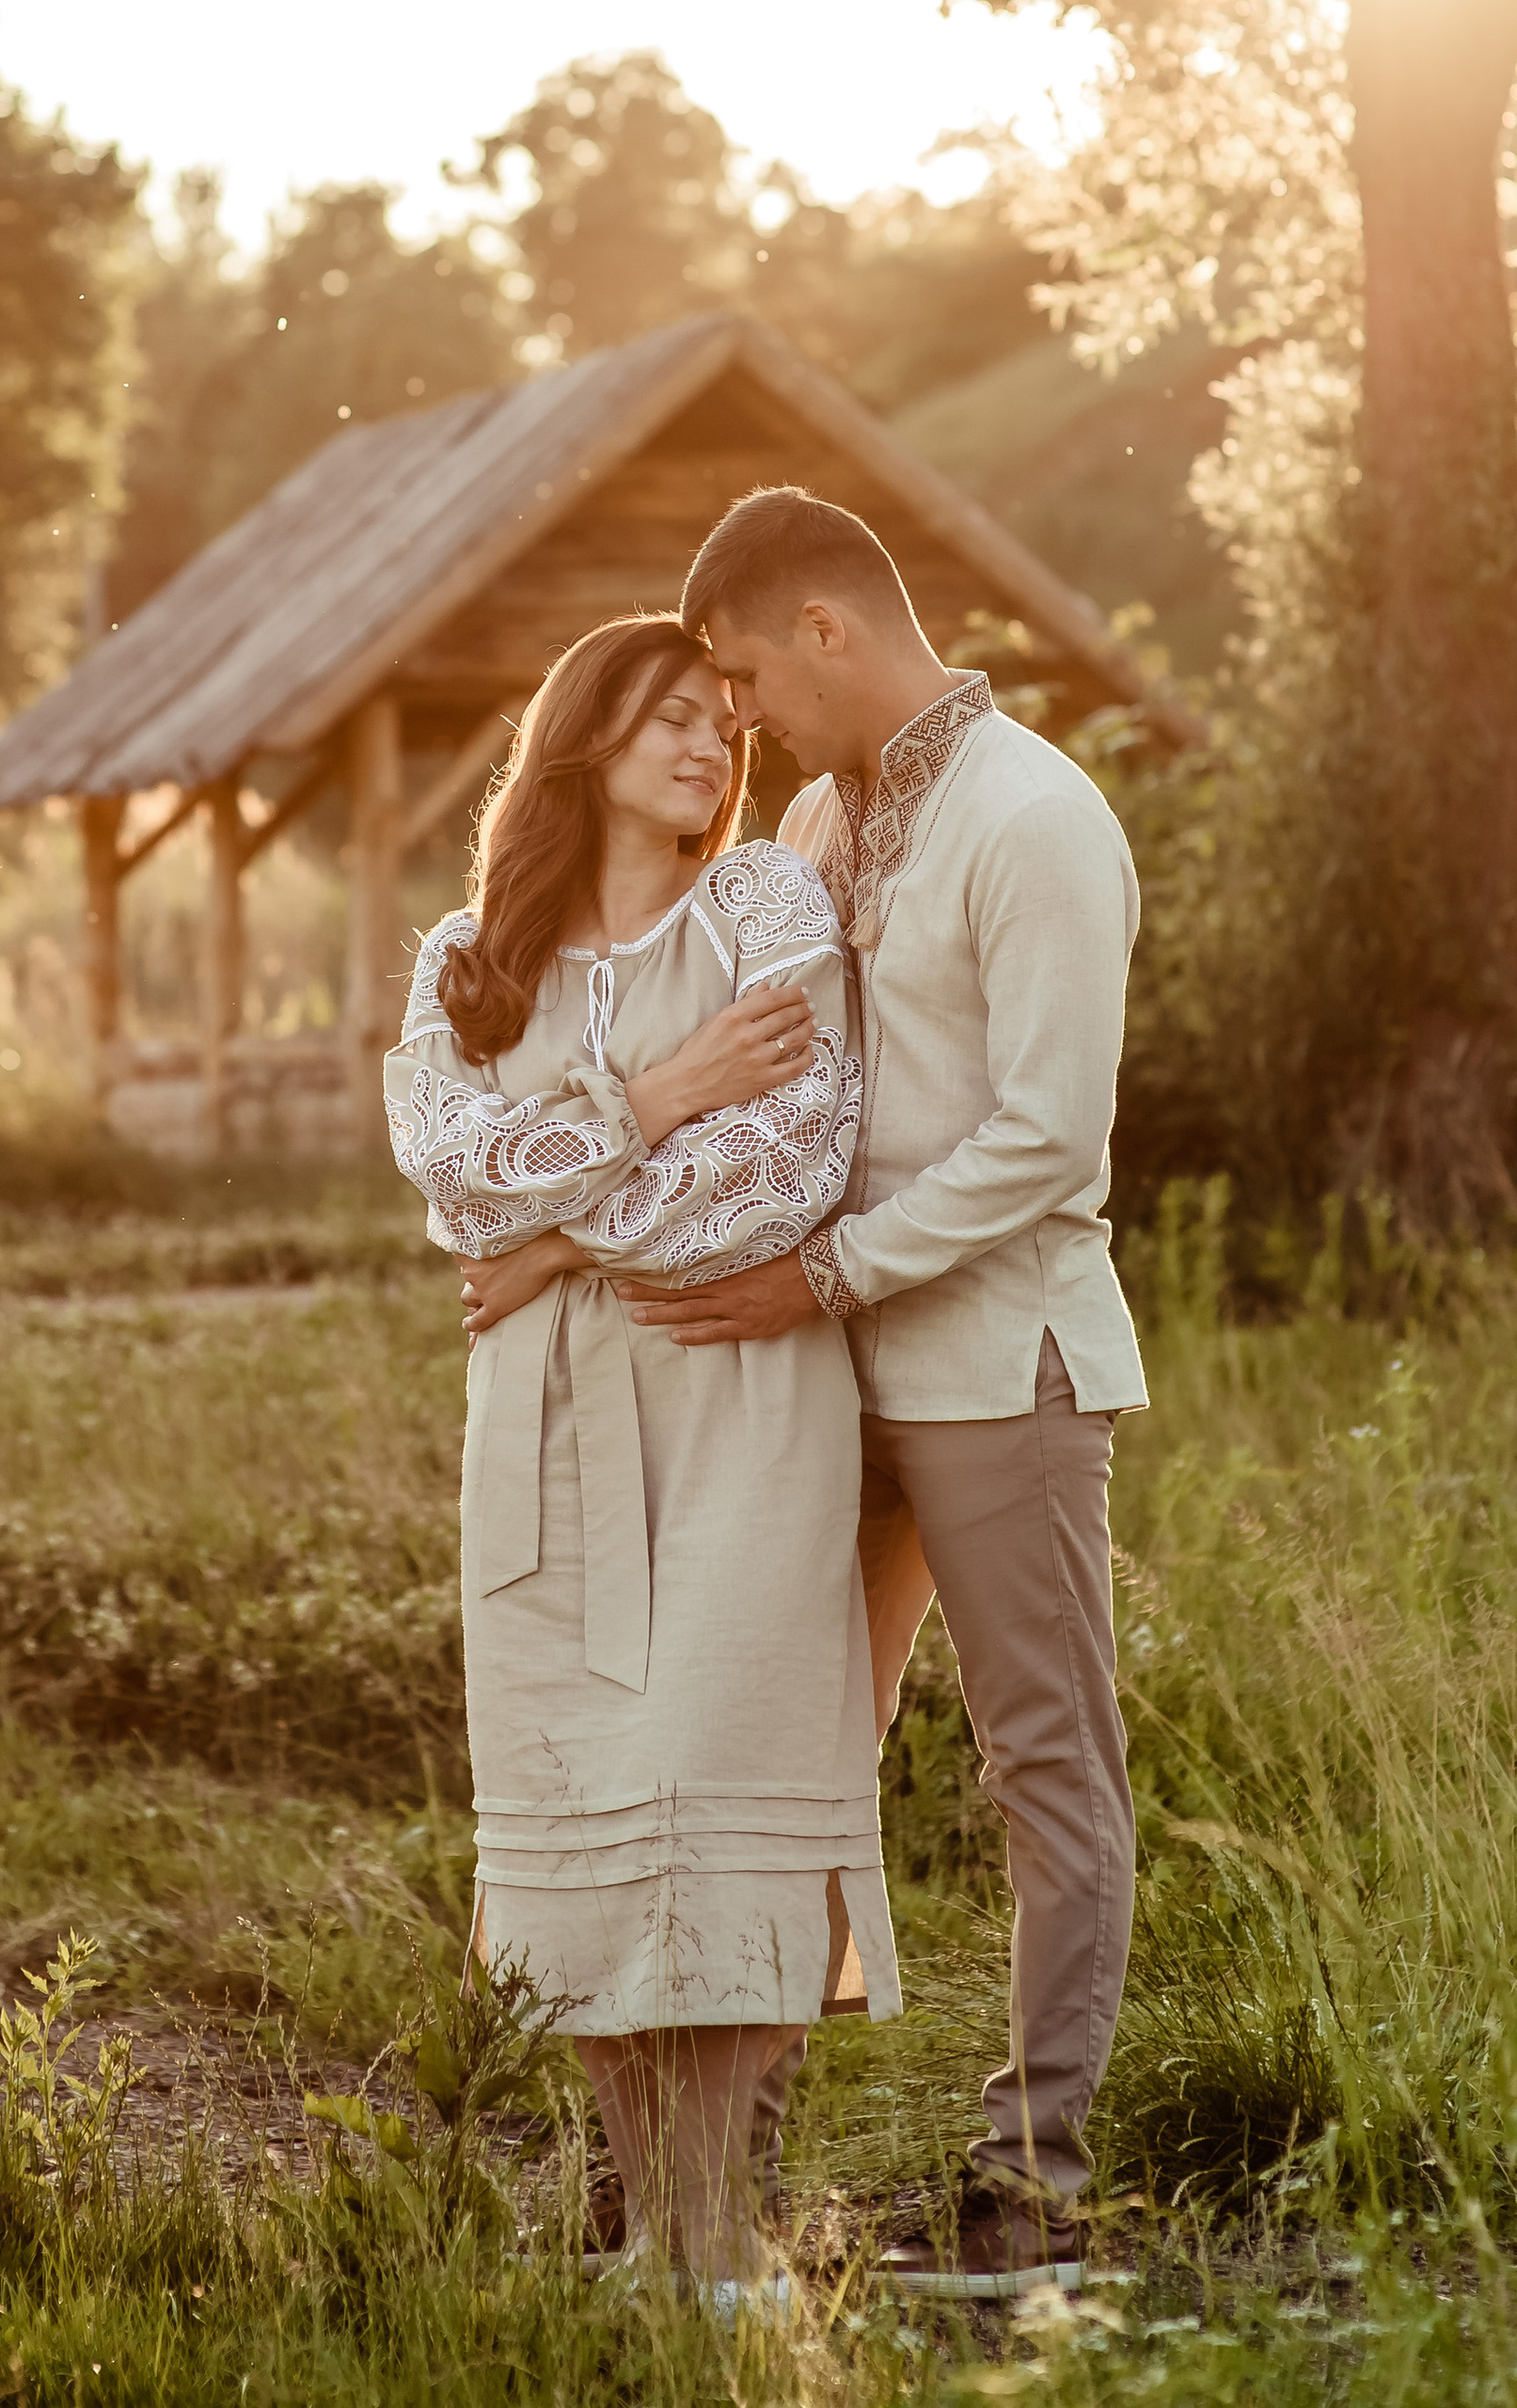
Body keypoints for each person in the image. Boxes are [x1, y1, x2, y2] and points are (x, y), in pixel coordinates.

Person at [614, 485, 1146, 2305]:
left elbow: (1048, 1134)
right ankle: (725, 2180)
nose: (744, 726)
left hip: (999, 1365)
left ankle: (1031, 2187)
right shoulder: (822, 824)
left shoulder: (1037, 816)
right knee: (783, 1753)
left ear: (827, 628)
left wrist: (830, 1269)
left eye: (752, 681)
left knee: (1043, 1764)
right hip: (825, 1376)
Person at [383, 612, 902, 2305]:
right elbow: (459, 1188)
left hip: (739, 1397)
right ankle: (671, 2246)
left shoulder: (766, 905)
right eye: (669, 715)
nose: (706, 745)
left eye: (720, 723)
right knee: (585, 1813)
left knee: (720, 1789)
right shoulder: (469, 959)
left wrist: (557, 1237)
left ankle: (719, 2241)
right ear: (584, 736)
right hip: (544, 1433)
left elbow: (791, 1165)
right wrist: (657, 1091)